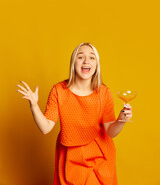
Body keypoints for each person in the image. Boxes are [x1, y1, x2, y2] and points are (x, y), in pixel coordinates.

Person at [16, 42, 132, 185]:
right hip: (70, 161)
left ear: (96, 65)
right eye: (80, 57)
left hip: (99, 159)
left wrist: (121, 120)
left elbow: (111, 132)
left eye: (92, 58)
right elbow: (45, 128)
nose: (86, 61)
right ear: (73, 63)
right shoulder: (58, 90)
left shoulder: (104, 92)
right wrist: (34, 105)